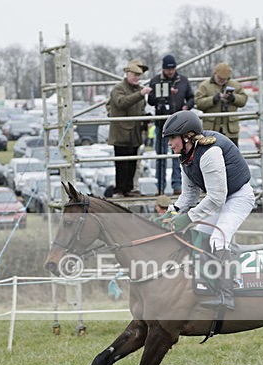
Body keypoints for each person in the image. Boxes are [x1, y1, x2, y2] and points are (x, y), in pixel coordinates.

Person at [160, 110, 255, 312]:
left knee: (218, 239)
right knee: (198, 235)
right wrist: (173, 211)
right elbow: (190, 195)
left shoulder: (209, 153)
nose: (169, 144)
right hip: (222, 199)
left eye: (172, 139)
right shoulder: (186, 155)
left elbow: (217, 197)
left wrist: (188, 218)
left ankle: (227, 296)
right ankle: (208, 285)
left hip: (239, 197)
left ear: (187, 137)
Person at [148, 54, 195, 195]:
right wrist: (164, 93)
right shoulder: (155, 81)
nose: (171, 71)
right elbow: (150, 100)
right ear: (163, 69)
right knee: (160, 157)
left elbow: (191, 97)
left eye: (173, 68)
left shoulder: (183, 81)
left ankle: (177, 185)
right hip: (161, 124)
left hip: (179, 126)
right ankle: (160, 187)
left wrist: (186, 107)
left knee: (179, 156)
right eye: (168, 69)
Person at [108, 59, 151, 198]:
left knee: (132, 162)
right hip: (121, 133)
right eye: (134, 75)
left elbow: (140, 108)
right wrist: (140, 94)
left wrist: (145, 118)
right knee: (122, 163)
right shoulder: (118, 88)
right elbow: (121, 103)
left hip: (135, 133)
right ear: (127, 74)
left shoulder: (139, 89)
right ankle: (120, 190)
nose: (136, 78)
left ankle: (129, 188)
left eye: (138, 76)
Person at [195, 63, 248, 147]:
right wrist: (213, 99)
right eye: (220, 78)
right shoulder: (204, 86)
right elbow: (198, 103)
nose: (222, 81)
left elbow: (244, 100)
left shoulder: (236, 85)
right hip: (211, 130)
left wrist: (233, 98)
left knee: (231, 157)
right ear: (215, 73)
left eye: (224, 79)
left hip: (230, 131)